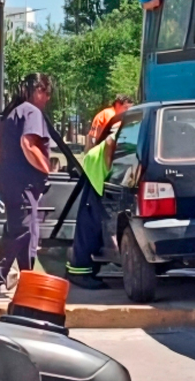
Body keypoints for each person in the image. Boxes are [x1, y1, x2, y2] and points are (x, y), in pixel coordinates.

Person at [0, 73, 54, 297]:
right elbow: (28, 144)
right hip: (23, 183)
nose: (47, 99)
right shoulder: (31, 111)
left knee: (23, 232)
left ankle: (28, 282)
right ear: (38, 90)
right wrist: (45, 167)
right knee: (22, 230)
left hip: (9, 179)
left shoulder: (15, 112)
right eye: (46, 93)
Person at [65, 116, 123, 290]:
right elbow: (110, 144)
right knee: (90, 224)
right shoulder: (132, 127)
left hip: (97, 168)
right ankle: (78, 272)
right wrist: (110, 174)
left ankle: (87, 268)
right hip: (98, 170)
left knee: (94, 223)